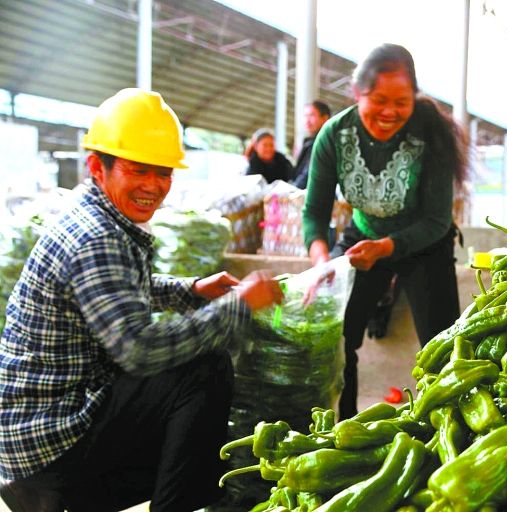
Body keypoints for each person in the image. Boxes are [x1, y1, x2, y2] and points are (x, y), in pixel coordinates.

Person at [0, 88, 284, 512]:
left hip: (30, 445)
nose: (153, 186)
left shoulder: (94, 213)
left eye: (164, 173)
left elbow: (117, 289)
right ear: (99, 166)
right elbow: (140, 350)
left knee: (191, 441)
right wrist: (238, 306)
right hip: (48, 453)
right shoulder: (99, 237)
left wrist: (191, 289)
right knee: (201, 369)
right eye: (138, 171)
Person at [302, 43, 468, 419]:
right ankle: (342, 429)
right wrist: (322, 262)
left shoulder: (431, 136)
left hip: (425, 242)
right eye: (379, 100)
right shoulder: (334, 136)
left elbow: (436, 221)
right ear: (357, 94)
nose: (390, 112)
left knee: (442, 348)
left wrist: (388, 247)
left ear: (414, 98)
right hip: (363, 236)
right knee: (338, 341)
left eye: (401, 102)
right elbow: (314, 213)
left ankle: (443, 429)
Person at [292, 100, 331, 190]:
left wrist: (292, 191)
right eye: (305, 116)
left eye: (312, 115)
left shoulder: (325, 142)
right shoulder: (310, 142)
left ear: (325, 118)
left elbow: (308, 174)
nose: (307, 120)